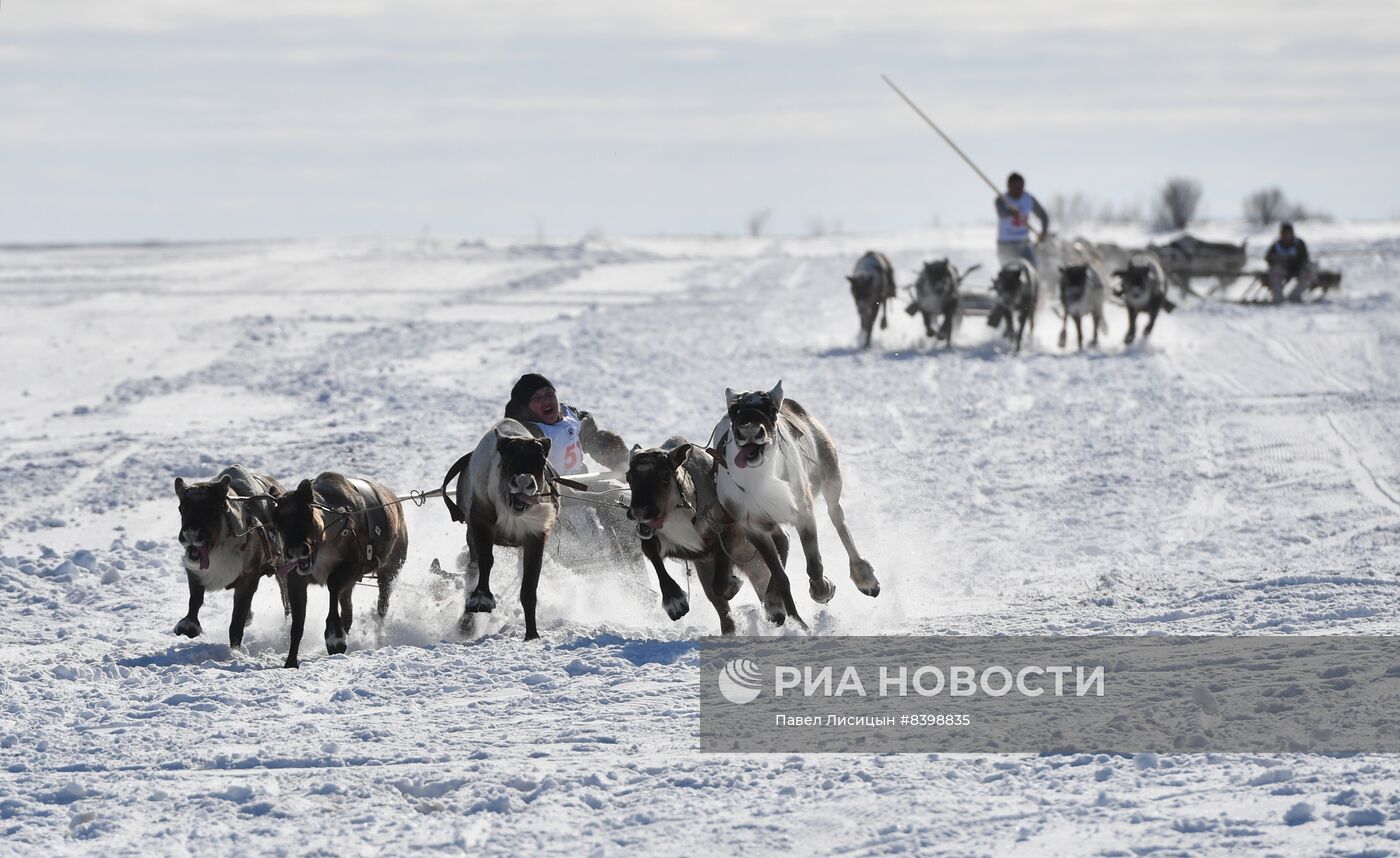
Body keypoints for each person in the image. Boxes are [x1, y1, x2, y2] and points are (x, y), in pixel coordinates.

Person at [503, 373, 629, 475]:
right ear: (526, 408)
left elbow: (593, 439)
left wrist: (620, 463)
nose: (546, 400)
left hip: (582, 483)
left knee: (621, 499)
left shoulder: (571, 417)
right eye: (537, 398)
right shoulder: (527, 433)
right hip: (550, 495)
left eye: (549, 393)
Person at [995, 172, 1050, 268]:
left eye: (1020, 187)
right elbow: (1001, 213)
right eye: (1015, 187)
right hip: (1005, 245)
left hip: (1024, 244)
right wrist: (1011, 212)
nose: (1019, 190)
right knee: (1008, 273)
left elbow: (1043, 216)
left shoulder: (1028, 199)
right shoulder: (1001, 200)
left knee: (1033, 269)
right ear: (1009, 187)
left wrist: (1043, 232)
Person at [1264, 222, 1317, 304]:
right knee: (1273, 272)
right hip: (1282, 269)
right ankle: (1278, 298)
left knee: (1310, 270)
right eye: (1284, 234)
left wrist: (1291, 260)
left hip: (1298, 269)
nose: (1286, 236)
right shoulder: (1277, 245)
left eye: (1288, 234)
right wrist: (1277, 260)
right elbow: (1268, 258)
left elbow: (1304, 258)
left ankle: (1294, 297)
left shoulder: (1299, 244)